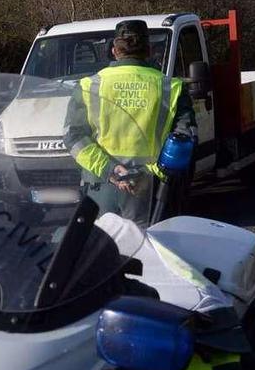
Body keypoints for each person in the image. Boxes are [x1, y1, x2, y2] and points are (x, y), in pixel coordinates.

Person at [64, 20, 197, 226]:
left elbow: (74, 139)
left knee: (104, 250)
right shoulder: (170, 87)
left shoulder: (89, 86)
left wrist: (111, 171)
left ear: (114, 50)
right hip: (151, 188)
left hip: (102, 187)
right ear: (149, 50)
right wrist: (153, 173)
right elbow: (184, 139)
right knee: (150, 250)